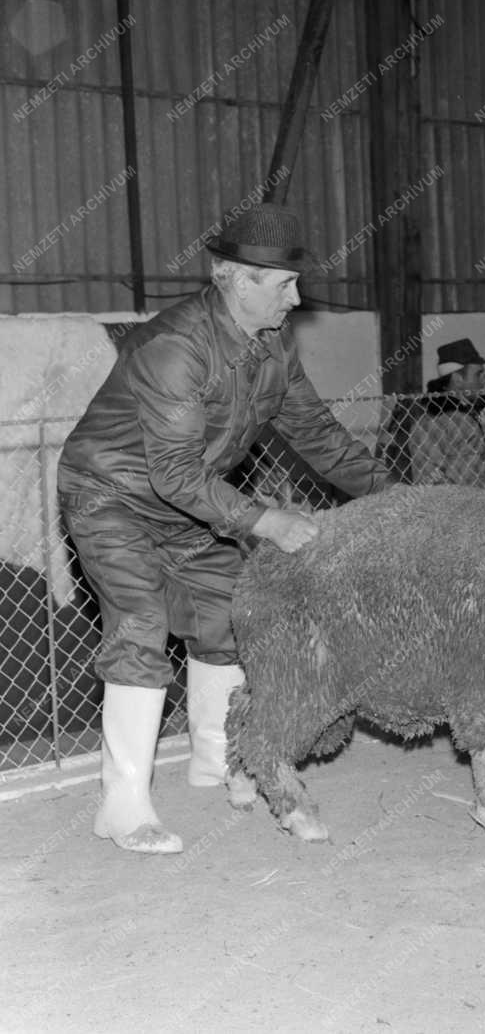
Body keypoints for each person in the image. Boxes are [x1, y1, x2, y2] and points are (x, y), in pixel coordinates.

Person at [58, 203, 394, 855]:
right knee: (139, 619)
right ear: (235, 279)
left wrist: (406, 498)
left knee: (226, 611)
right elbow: (176, 472)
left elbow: (320, 439)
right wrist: (267, 519)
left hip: (187, 501)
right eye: (283, 284)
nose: (296, 298)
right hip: (111, 495)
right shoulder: (175, 347)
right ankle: (121, 805)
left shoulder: (274, 349)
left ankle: (218, 760)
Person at [407, 338, 485, 487]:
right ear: (458, 379)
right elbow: (430, 481)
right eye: (478, 374)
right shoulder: (432, 423)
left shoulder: (474, 416)